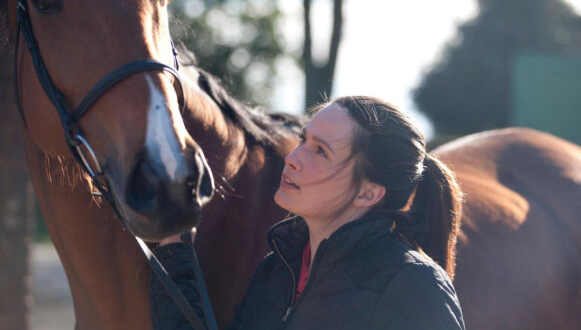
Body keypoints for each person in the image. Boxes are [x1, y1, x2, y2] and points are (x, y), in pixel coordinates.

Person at [150, 96, 466, 329]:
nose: (293, 158)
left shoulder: (416, 287)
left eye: (320, 151)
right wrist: (172, 250)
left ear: (368, 193)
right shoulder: (275, 272)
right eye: (304, 140)